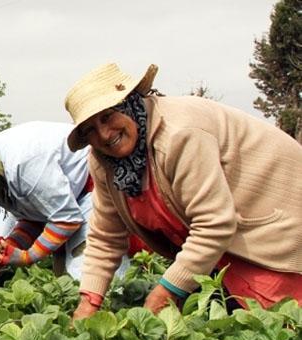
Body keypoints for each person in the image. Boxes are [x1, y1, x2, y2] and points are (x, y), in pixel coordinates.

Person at [65, 63, 302, 319]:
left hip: (272, 226)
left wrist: (165, 291)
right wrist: (89, 301)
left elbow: (214, 225)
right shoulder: (104, 161)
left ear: (130, 104)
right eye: (90, 129)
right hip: (220, 249)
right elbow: (105, 237)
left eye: (108, 116)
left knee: (281, 321)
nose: (104, 133)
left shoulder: (179, 134)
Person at [0, 121, 129, 279]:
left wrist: (27, 257)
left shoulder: (25, 164)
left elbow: (66, 219)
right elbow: (34, 217)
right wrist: (10, 247)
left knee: (89, 271)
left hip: (97, 183)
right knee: (64, 279)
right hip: (71, 201)